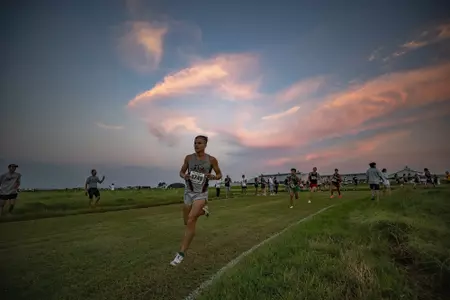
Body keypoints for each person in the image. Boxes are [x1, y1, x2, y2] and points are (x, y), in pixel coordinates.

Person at [170, 135, 222, 266]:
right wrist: (185, 175)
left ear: (205, 145)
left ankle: (180, 254)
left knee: (192, 219)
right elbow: (181, 172)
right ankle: (203, 212)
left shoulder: (211, 160)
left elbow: (219, 174)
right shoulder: (188, 158)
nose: (196, 145)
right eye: (195, 143)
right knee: (186, 221)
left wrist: (213, 177)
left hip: (201, 194)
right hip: (188, 192)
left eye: (199, 143)